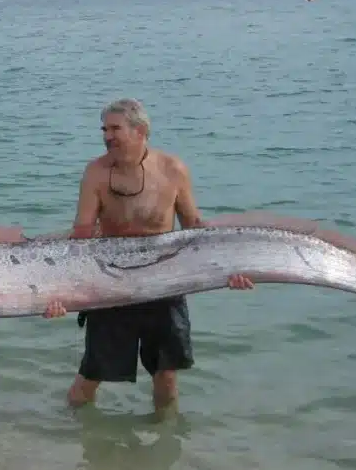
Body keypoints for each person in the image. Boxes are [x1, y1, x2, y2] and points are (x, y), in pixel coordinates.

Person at [43, 98, 254, 415]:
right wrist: (61, 293)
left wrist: (230, 271)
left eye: (115, 129)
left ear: (140, 130)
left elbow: (195, 231)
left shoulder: (173, 170)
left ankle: (166, 448)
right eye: (104, 129)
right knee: (91, 375)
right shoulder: (96, 173)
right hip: (111, 283)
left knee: (166, 377)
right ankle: (63, 432)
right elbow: (82, 237)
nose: (107, 136)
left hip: (164, 284)